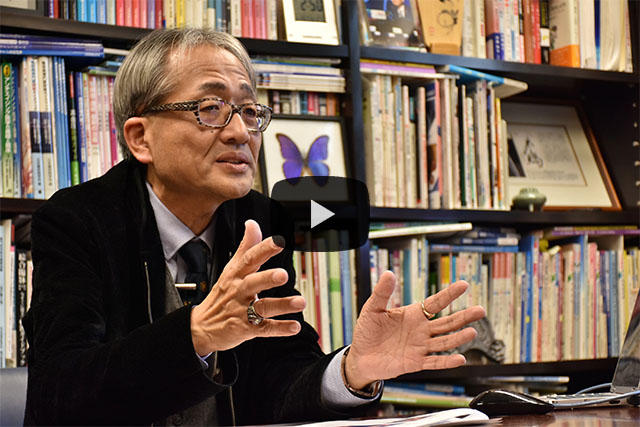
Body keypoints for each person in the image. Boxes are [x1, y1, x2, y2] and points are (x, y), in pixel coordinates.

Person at [23, 28, 485, 425]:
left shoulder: (261, 220)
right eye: (210, 108)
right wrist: (196, 333)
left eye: (248, 111)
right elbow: (59, 393)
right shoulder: (77, 221)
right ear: (141, 138)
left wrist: (352, 370)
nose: (241, 132)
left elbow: (278, 378)